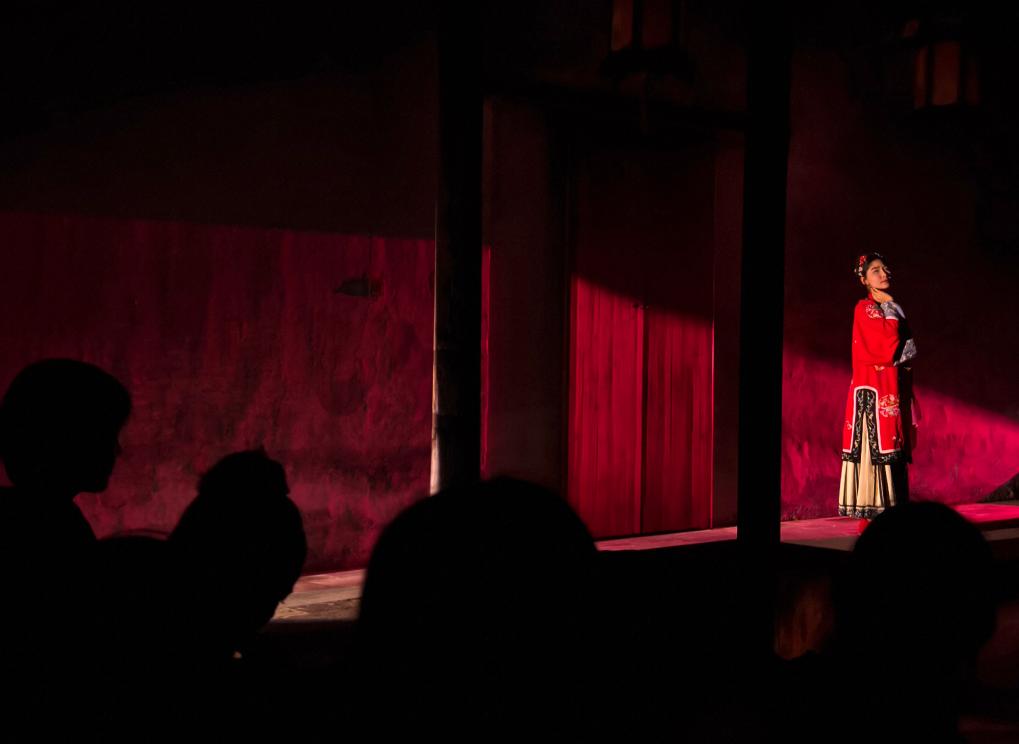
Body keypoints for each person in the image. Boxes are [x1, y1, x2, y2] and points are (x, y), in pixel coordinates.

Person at [839, 253, 917, 520]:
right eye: (875, 271)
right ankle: (874, 521)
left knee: (894, 452)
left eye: (885, 268)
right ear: (864, 280)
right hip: (874, 392)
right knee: (877, 453)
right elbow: (887, 344)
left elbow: (909, 349)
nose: (884, 274)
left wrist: (893, 308)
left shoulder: (887, 307)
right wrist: (892, 306)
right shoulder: (865, 308)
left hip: (891, 388)